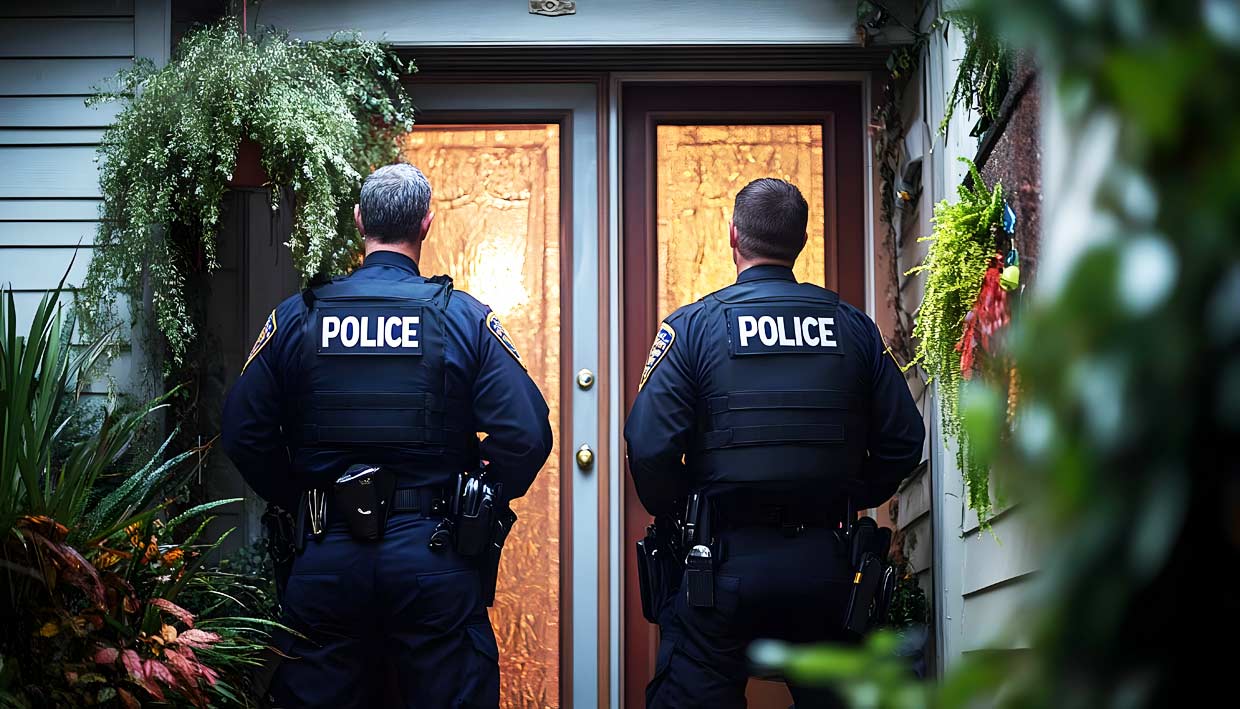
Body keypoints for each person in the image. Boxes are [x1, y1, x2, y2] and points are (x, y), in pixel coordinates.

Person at [221, 163, 553, 708]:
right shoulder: (462, 319)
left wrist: (302, 497)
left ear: (358, 221)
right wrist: (478, 496)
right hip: (432, 552)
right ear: (426, 223)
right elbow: (526, 434)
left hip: (327, 553)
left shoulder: (298, 318)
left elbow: (242, 431)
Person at [625, 177, 925, 708]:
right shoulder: (851, 327)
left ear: (733, 236)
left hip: (717, 566)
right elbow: (904, 440)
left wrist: (683, 513)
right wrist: (851, 493)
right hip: (826, 568)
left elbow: (649, 446)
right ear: (801, 243)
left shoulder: (693, 328)